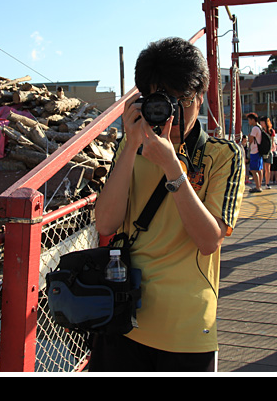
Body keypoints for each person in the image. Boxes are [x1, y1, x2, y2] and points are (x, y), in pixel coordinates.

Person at [89, 37, 245, 372]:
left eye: (183, 100)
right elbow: (105, 224)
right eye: (162, 99)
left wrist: (173, 168)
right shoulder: (131, 149)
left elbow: (208, 241)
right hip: (123, 316)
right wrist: (130, 147)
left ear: (201, 99)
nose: (171, 112)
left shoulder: (222, 156)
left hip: (186, 329)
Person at [246, 113, 264, 192]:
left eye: (249, 120)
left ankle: (257, 187)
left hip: (254, 151)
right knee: (259, 169)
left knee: (253, 170)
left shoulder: (254, 129)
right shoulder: (260, 127)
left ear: (253, 120)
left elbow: (250, 140)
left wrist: (249, 136)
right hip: (259, 150)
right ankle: (259, 185)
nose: (249, 122)